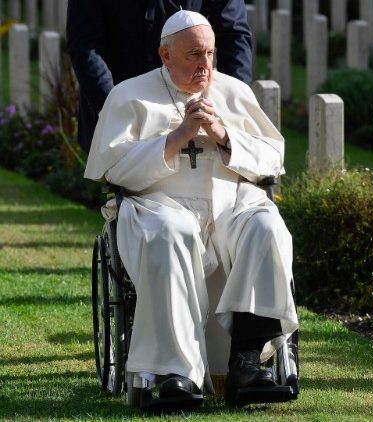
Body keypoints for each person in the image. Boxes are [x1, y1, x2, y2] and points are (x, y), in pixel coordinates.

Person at [83, 10, 297, 405]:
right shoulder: (129, 95)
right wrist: (178, 136)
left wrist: (225, 135)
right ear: (165, 54)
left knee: (267, 226)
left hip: (231, 205)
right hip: (157, 205)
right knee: (171, 233)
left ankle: (247, 363)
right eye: (194, 55)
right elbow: (112, 169)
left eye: (211, 54)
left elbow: (272, 158)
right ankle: (175, 373)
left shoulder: (234, 92)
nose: (206, 65)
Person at [67, 0, 253, 154]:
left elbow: (233, 35)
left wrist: (230, 106)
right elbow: (86, 45)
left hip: (195, 108)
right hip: (119, 108)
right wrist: (115, 110)